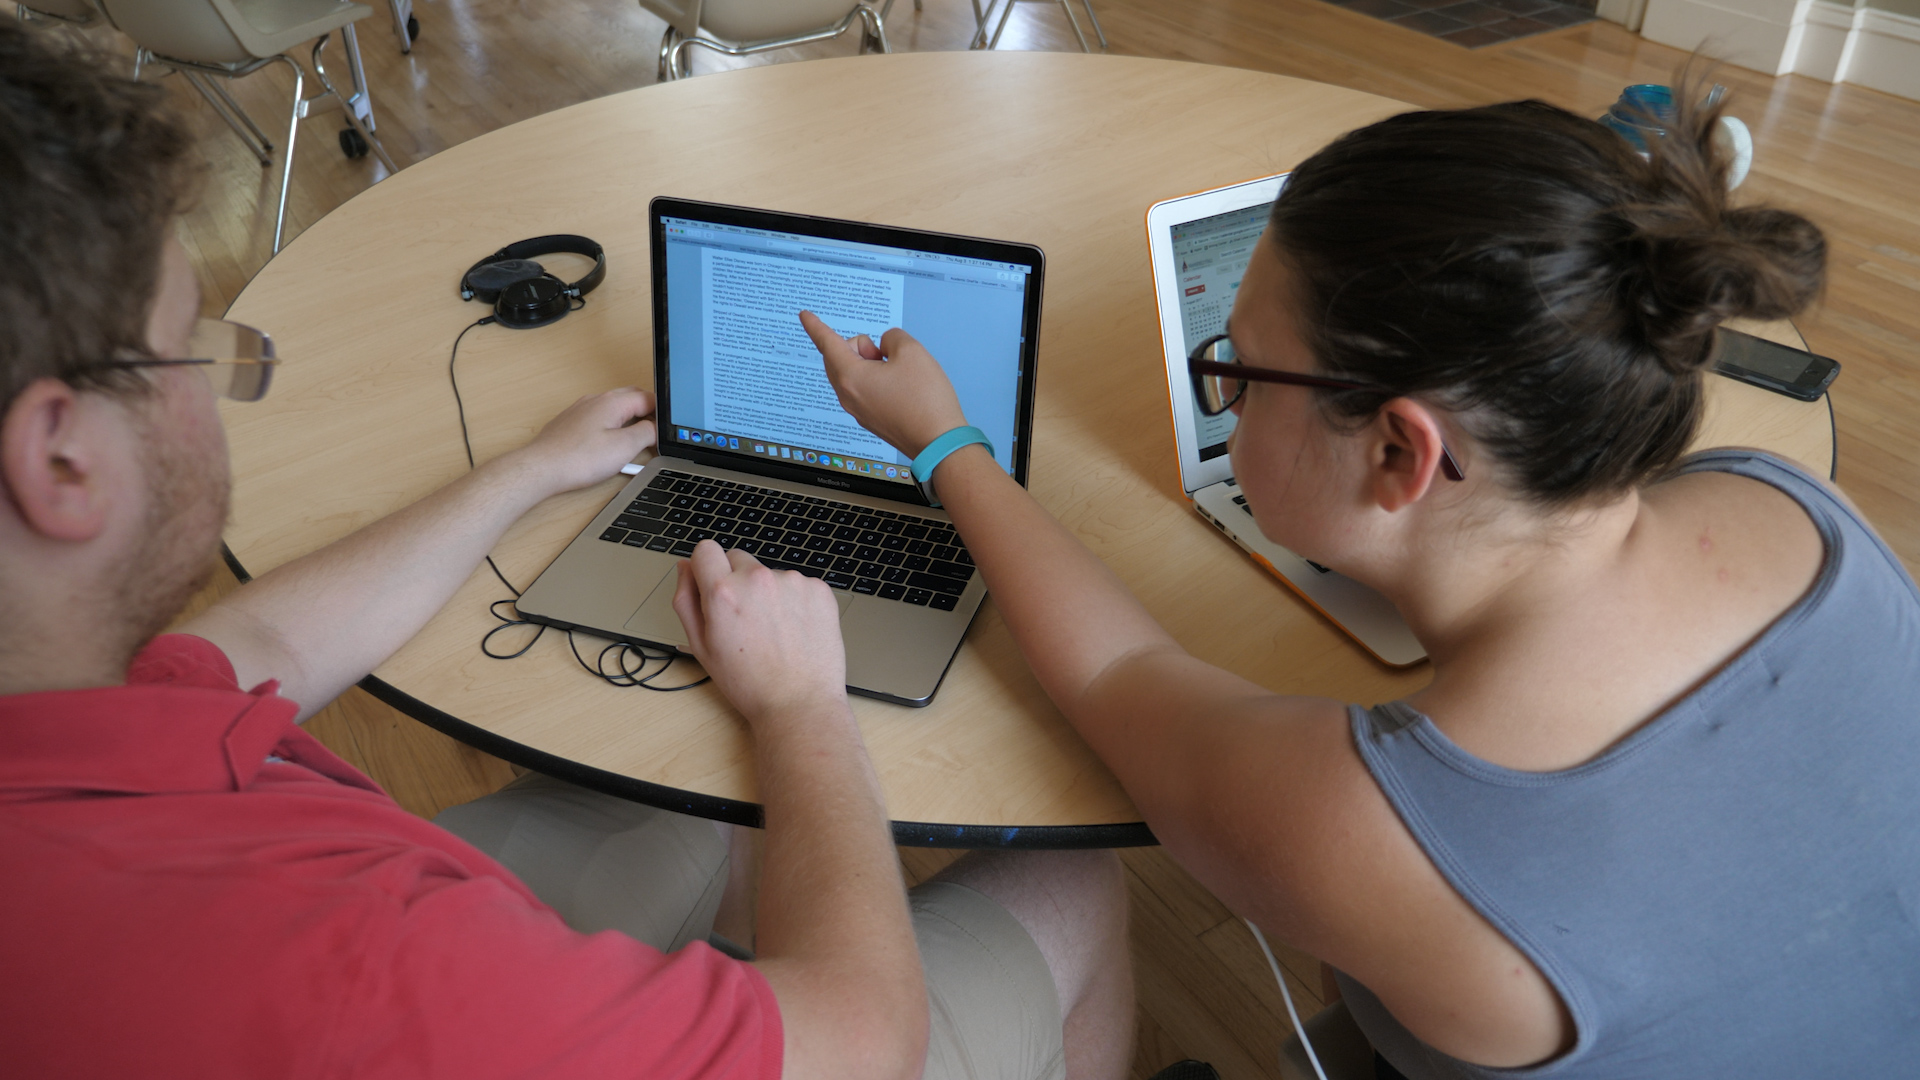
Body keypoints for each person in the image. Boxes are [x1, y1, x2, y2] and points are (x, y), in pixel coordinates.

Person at [0, 24, 1132, 1080]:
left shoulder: (59, 722)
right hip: (503, 989)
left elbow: (244, 649)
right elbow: (863, 1040)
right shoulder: (351, 958)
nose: (218, 387)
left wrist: (528, 471)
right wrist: (801, 708)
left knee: (697, 773)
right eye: (189, 347)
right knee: (1072, 872)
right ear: (59, 460)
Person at [801, 88, 1920, 1078]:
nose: (1220, 392)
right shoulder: (1786, 499)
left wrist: (945, 442)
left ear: (1400, 455)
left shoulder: (1372, 821)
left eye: (1232, 368)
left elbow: (1118, 671)